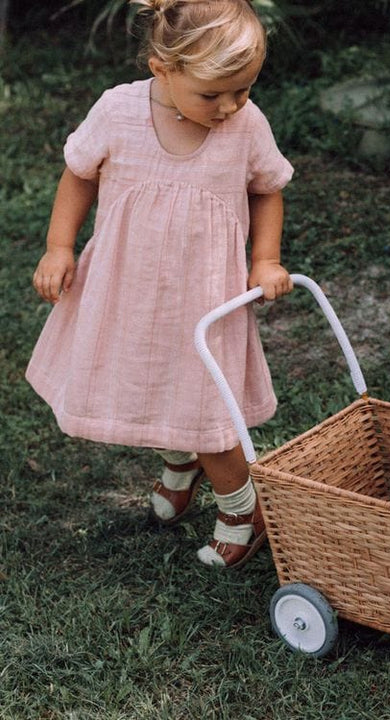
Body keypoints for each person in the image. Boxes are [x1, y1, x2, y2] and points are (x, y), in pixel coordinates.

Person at [26, 0, 294, 570]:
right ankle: (180, 462)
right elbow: (79, 175)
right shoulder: (117, 111)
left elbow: (267, 189)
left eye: (243, 90)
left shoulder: (246, 125)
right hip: (128, 291)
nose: (230, 106)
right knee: (146, 382)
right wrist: (58, 246)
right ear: (161, 69)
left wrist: (266, 259)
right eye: (212, 94)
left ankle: (244, 511)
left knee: (207, 408)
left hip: (206, 298)